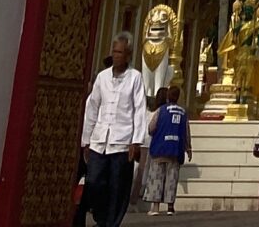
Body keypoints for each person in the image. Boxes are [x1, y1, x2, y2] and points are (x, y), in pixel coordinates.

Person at [78, 33, 145, 227]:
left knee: (118, 187)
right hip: (99, 140)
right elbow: (92, 107)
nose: (116, 56)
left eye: (120, 52)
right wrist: (86, 140)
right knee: (94, 182)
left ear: (128, 55)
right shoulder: (102, 77)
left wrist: (136, 141)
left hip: (122, 141)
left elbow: (139, 110)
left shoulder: (135, 78)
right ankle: (100, 216)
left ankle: (110, 223)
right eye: (114, 52)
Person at [142, 84, 191, 215]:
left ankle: (155, 208)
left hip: (160, 148)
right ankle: (170, 207)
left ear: (168, 97)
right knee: (172, 179)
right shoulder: (183, 113)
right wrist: (188, 148)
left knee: (156, 178)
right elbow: (186, 132)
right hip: (175, 149)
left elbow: (151, 128)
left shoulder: (161, 110)